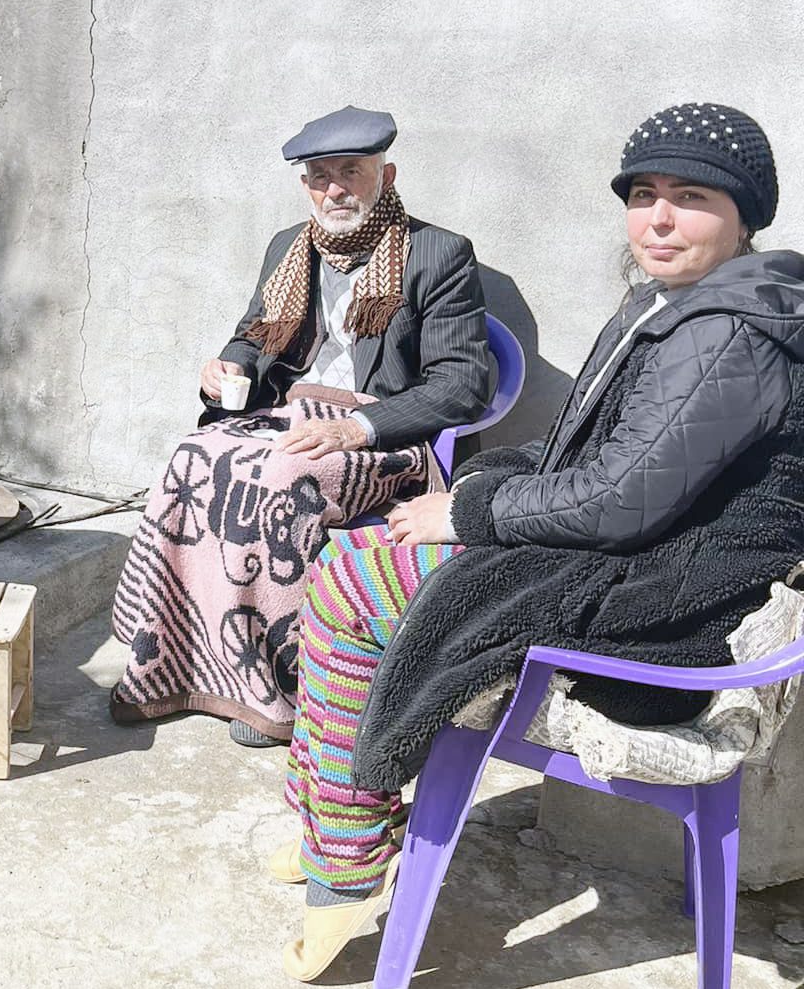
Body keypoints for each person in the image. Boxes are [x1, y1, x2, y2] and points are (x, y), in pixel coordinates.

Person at [275, 102, 804, 981]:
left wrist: (472, 512)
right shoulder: (679, 304)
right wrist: (490, 483)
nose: (659, 219)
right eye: (643, 194)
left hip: (669, 596)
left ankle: (347, 857)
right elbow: (600, 454)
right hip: (649, 553)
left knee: (353, 585)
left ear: (744, 213)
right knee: (352, 564)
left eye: (691, 197)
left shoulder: (729, 334)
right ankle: (337, 811)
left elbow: (624, 500)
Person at [109, 106, 492, 748]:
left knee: (283, 476)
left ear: (386, 175)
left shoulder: (438, 253)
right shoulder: (289, 247)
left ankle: (278, 687)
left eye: (351, 172)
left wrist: (362, 426)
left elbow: (462, 384)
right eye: (319, 177)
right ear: (305, 184)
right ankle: (169, 661)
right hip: (292, 414)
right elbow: (254, 339)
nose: (334, 189)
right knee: (190, 457)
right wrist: (228, 366)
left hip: (384, 435)